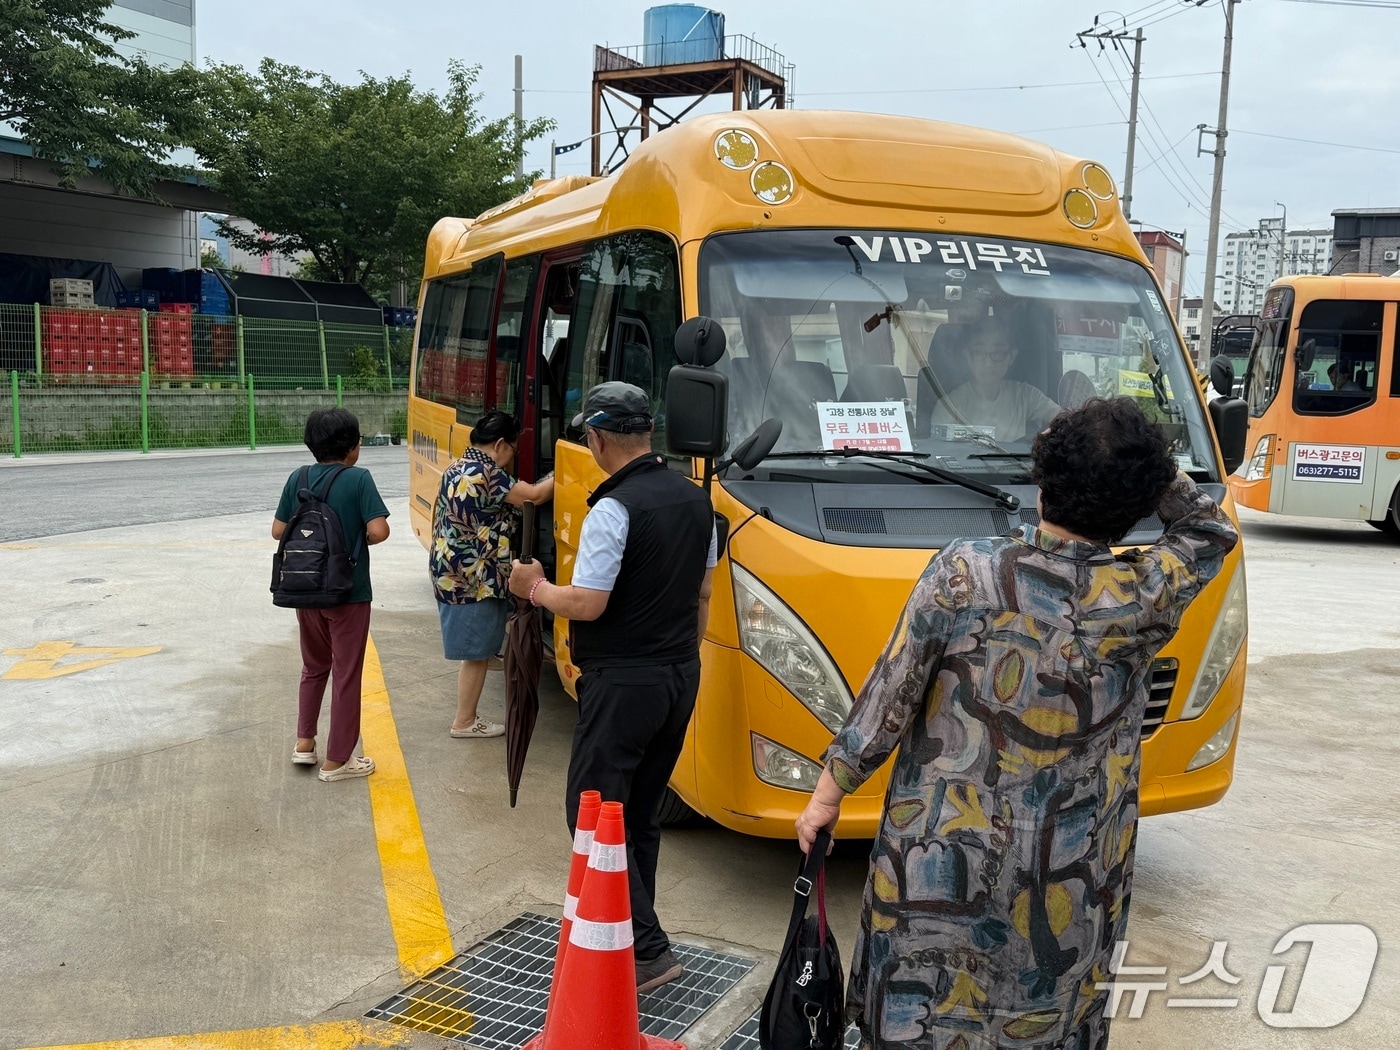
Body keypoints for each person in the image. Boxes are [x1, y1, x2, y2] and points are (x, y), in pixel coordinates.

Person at [795, 398, 1239, 1049]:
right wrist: (1148, 470)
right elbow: (1209, 529)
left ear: (1042, 482)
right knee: (1050, 1014)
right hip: (1069, 875)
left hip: (942, 858)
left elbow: (890, 696)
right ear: (1133, 504)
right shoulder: (1144, 592)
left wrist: (828, 796)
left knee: (924, 1008)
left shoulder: (964, 572)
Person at [508, 380, 716, 994]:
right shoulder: (697, 501)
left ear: (597, 439)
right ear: (647, 432)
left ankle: (646, 948)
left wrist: (534, 589)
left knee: (593, 812)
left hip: (624, 682)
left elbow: (588, 603)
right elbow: (703, 596)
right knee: (639, 813)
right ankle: (629, 936)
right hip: (679, 675)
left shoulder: (613, 509)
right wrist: (679, 657)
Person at [273, 407, 390, 783]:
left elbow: (278, 531)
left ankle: (304, 744)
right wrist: (354, 538)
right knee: (346, 673)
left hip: (305, 589)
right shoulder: (358, 479)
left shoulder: (298, 477)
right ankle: (338, 760)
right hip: (348, 592)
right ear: (354, 446)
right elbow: (379, 530)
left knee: (313, 666)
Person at [431, 410, 554, 738]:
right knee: (476, 654)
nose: (512, 456)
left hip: (451, 567)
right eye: (513, 449)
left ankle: (466, 717)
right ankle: (464, 721)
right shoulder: (486, 472)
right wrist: (567, 469)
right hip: (474, 576)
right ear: (500, 444)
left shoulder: (458, 466)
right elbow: (534, 496)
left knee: (478, 649)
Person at [929, 318, 1062, 443]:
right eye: (979, 352)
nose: (988, 363)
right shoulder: (948, 407)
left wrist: (1044, 439)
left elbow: (1063, 419)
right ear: (968, 356)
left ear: (1011, 357)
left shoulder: (1025, 395)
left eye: (998, 353)